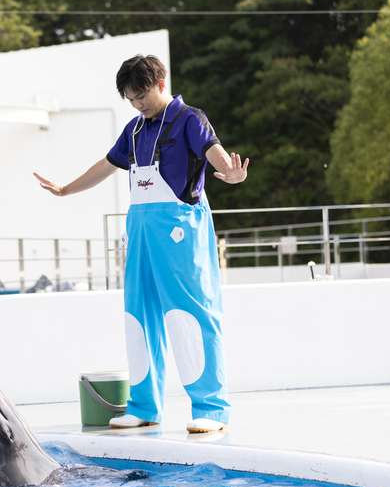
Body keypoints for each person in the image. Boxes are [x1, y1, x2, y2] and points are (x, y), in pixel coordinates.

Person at [34, 55, 248, 433]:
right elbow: (106, 165)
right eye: (131, 99)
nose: (138, 104)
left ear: (160, 84)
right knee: (138, 316)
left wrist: (230, 172)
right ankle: (144, 406)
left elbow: (213, 150)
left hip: (179, 230)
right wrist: (66, 189)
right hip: (141, 229)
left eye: (142, 95)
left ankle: (212, 409)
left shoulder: (189, 119)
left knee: (189, 314)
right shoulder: (134, 130)